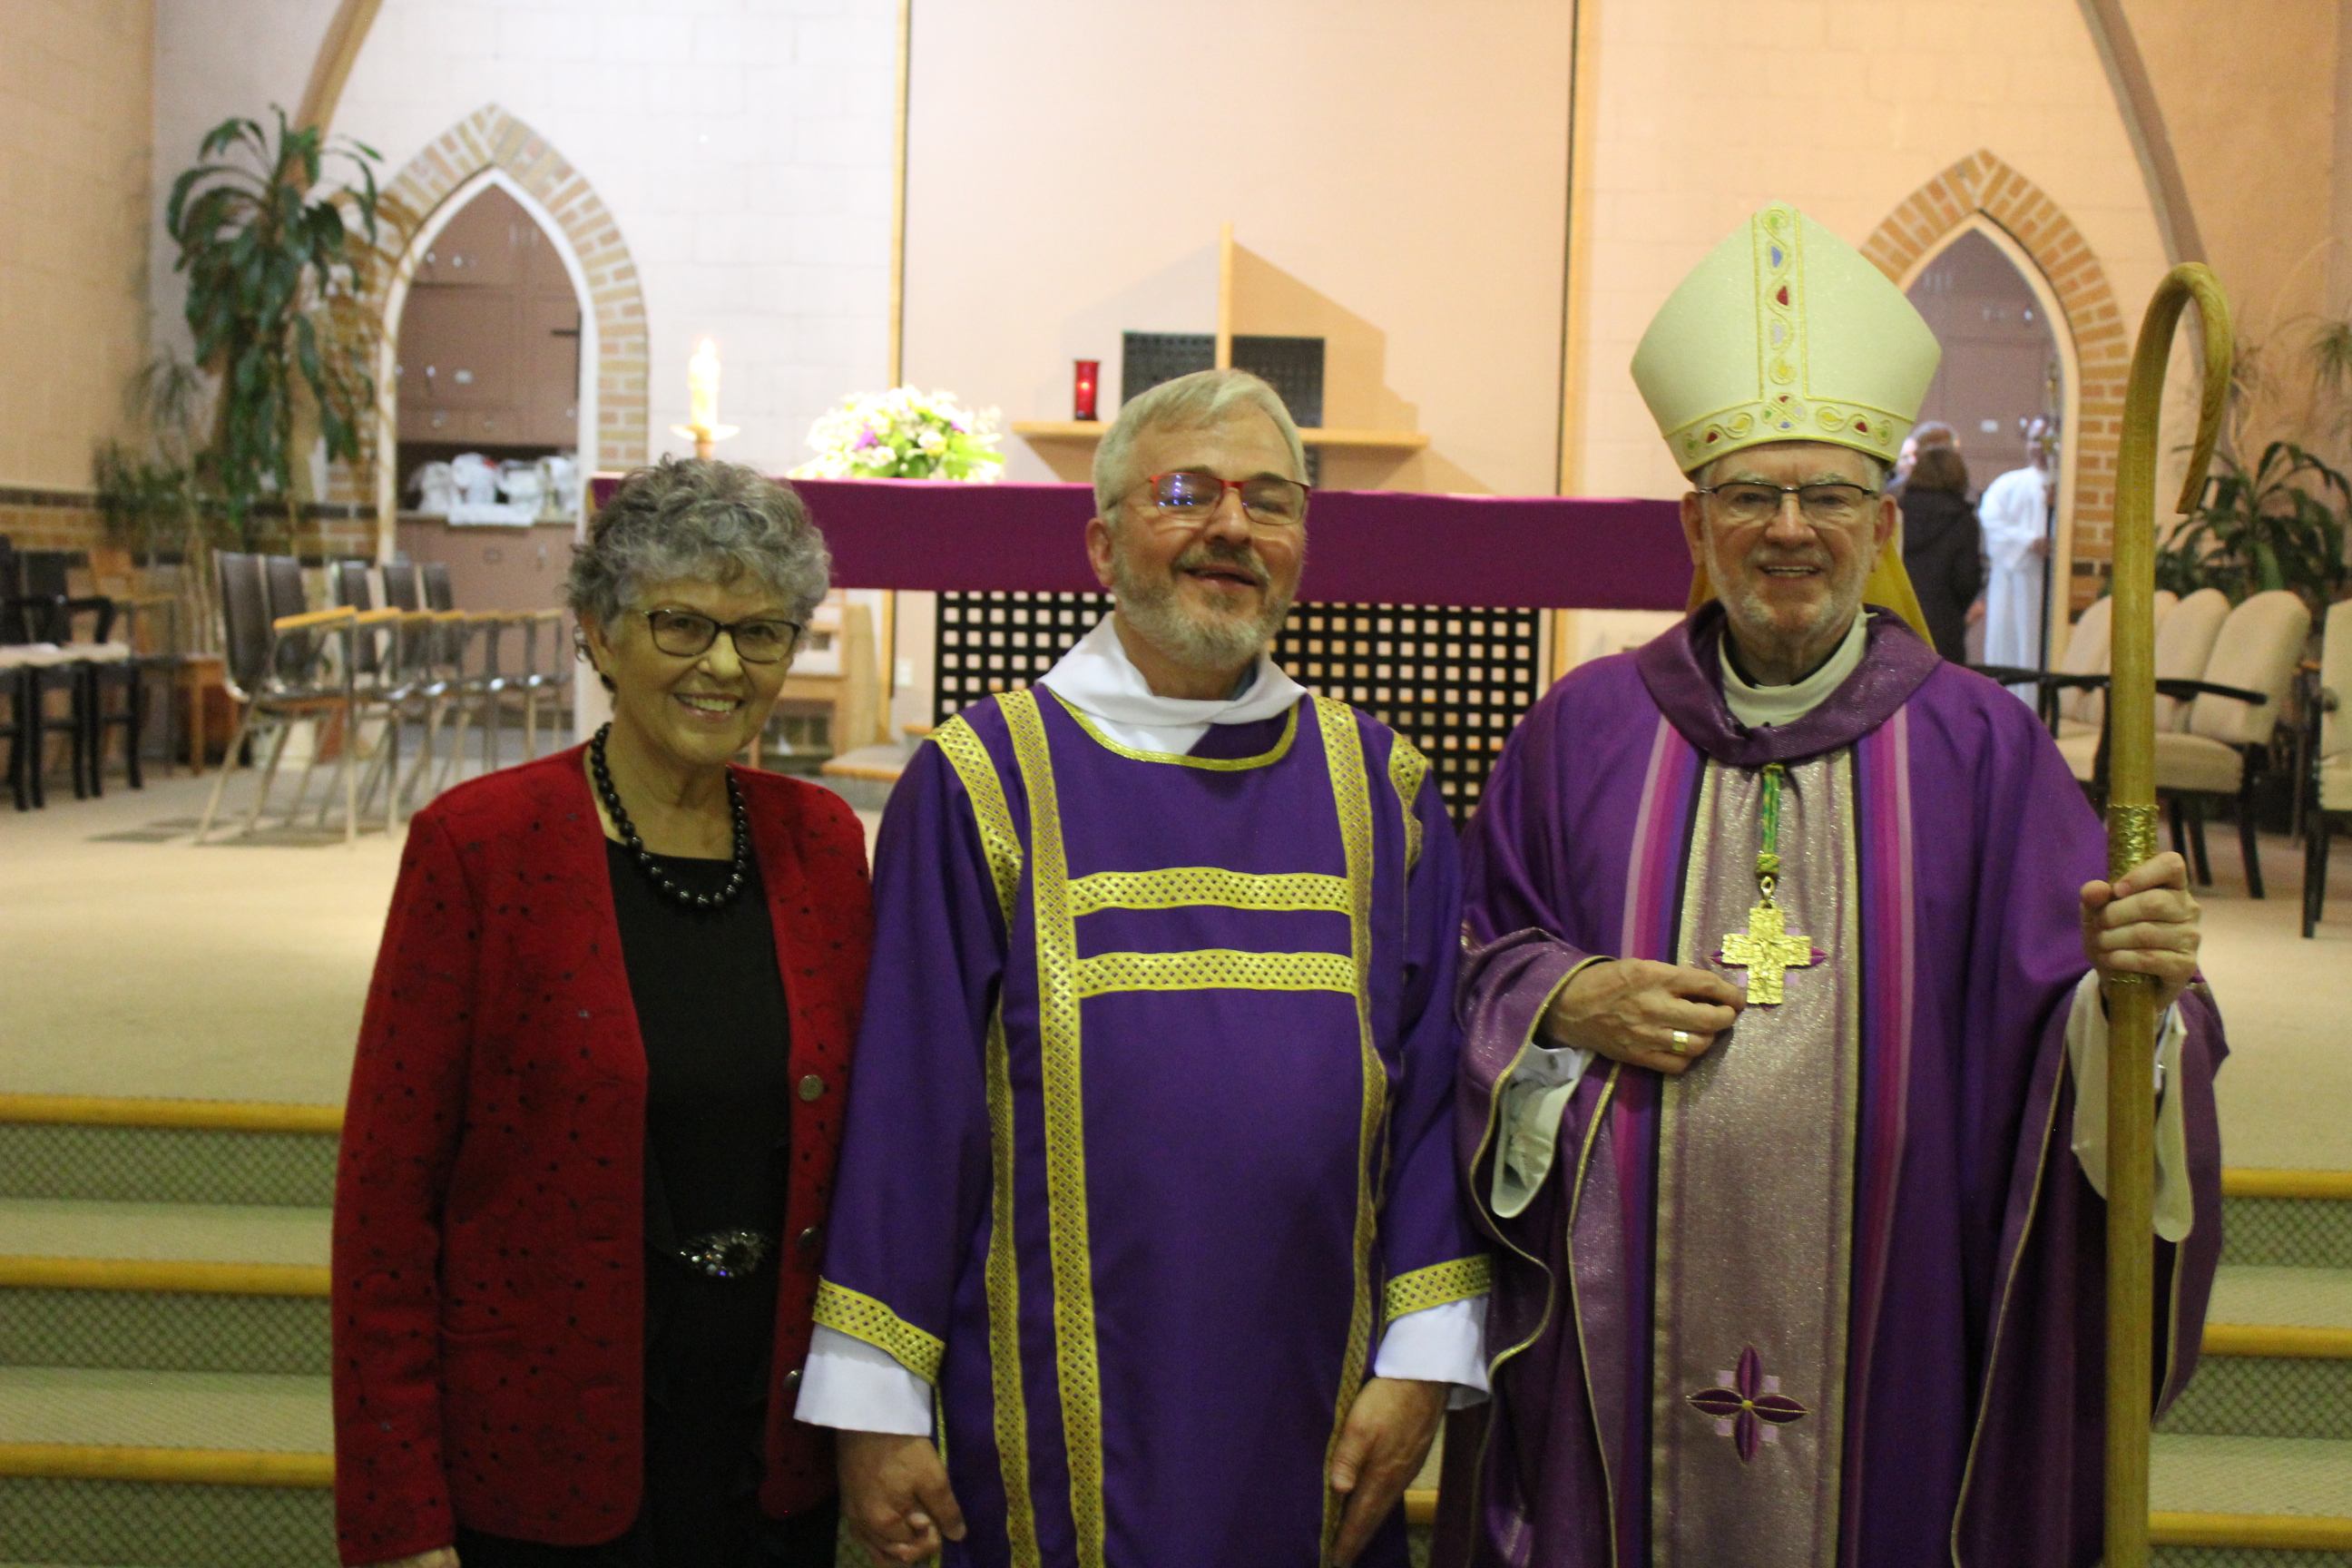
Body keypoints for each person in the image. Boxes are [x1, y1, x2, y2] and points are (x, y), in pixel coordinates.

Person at [1434, 205, 2223, 1568]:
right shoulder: (1582, 731)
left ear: (1882, 521)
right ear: (1695, 517)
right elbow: (1464, 965)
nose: (1789, 530)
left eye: (1829, 496)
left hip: (1901, 1346)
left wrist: (2135, 1001)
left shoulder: (1984, 747)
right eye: (1750, 494)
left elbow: (2074, 1054)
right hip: (1616, 1357)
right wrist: (1567, 997)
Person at [800, 368, 1485, 1568]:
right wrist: (874, 1401)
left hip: (1311, 1405)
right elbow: (913, 1108)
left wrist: (1422, 1361)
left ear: (1300, 549)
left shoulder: (1383, 790)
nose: (1231, 526)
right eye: (1186, 493)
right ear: (1102, 545)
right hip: (1044, 1421)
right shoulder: (984, 779)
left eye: (1268, 502)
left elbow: (1434, 1097)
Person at [333, 458, 871, 1568]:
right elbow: (386, 1209)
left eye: (762, 633)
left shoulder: (821, 843)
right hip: (546, 1464)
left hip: (764, 1460)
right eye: (681, 625)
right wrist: (399, 1520)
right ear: (599, 630)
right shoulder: (479, 847)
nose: (723, 665)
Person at [1981, 417, 2058, 693]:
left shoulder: (2066, 488)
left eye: (2046, 440)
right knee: (2009, 645)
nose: (2039, 447)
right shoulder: (2008, 484)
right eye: (2034, 439)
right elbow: (1992, 521)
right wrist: (2028, 542)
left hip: (2048, 586)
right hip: (2012, 582)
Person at [1897, 443, 1984, 661]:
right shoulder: (1962, 521)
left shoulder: (1894, 512)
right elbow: (1966, 580)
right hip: (1943, 626)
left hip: (1892, 622)